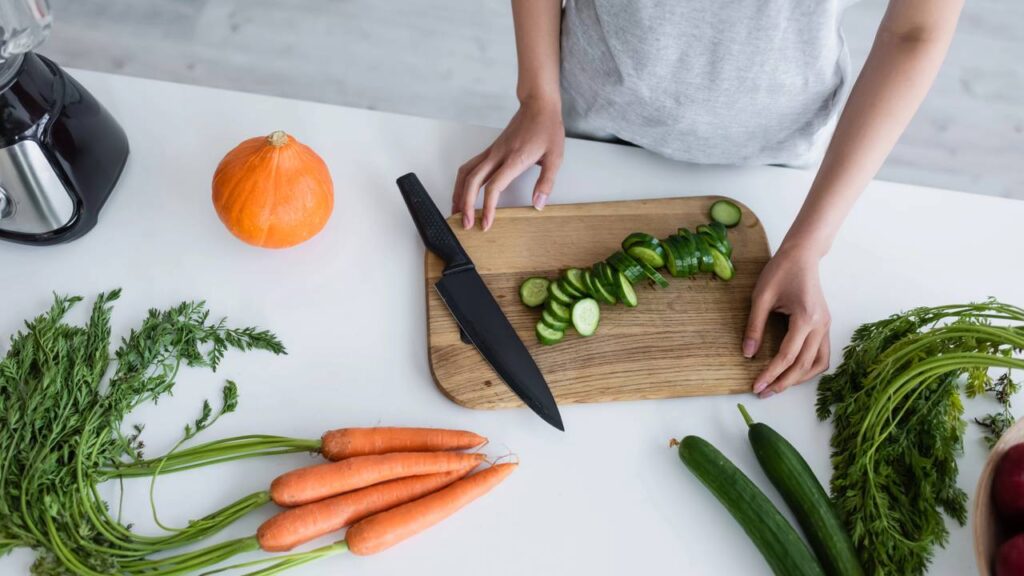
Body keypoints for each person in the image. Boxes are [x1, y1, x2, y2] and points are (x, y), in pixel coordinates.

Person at [450, 0, 962, 399]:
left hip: (776, 165)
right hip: (588, 127)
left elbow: (915, 32)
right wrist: (537, 96)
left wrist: (809, 244)